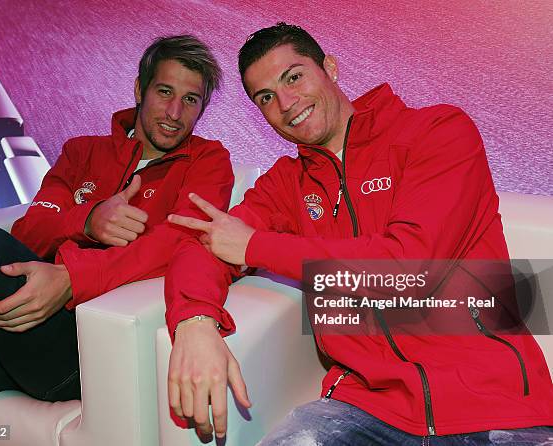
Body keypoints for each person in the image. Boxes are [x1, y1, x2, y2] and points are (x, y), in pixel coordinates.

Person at [163, 23, 553, 444]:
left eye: (293, 77)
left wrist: (258, 245)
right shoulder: (287, 184)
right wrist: (194, 322)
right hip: (361, 408)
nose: (286, 103)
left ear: (329, 67)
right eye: (266, 97)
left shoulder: (437, 132)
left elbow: (411, 268)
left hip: (494, 406)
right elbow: (204, 241)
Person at [0, 35, 233, 415]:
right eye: (164, 91)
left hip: (92, 350)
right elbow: (29, 231)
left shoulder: (208, 161)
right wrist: (89, 221)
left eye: (190, 100)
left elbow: (180, 242)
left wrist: (72, 280)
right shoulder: (81, 152)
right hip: (24, 327)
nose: (175, 113)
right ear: (139, 89)